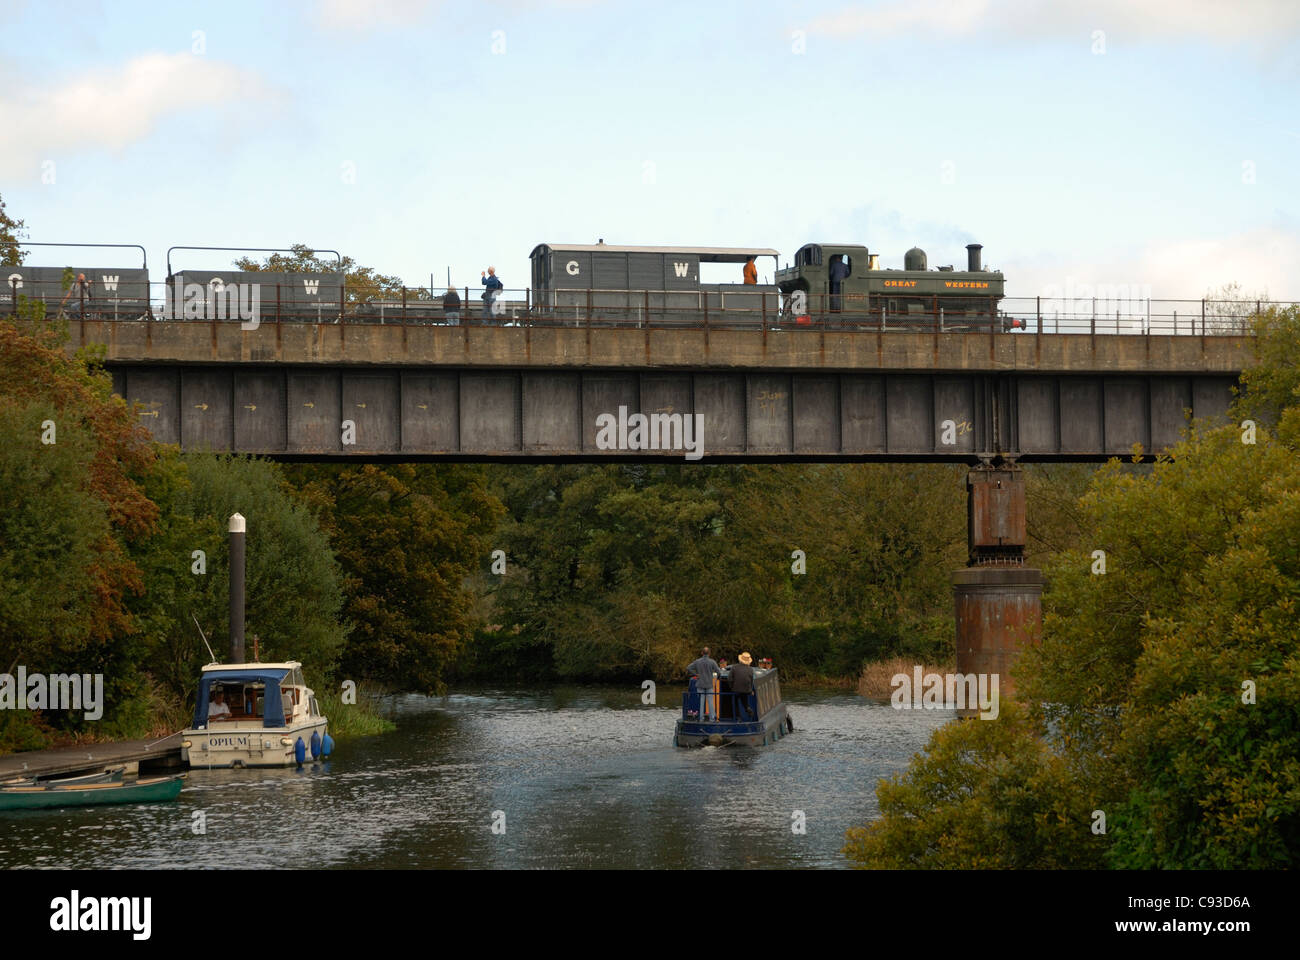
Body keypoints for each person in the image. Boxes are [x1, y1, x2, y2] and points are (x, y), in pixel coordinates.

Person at [686, 647, 721, 722]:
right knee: (710, 702)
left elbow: (688, 668)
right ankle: (712, 719)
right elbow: (719, 672)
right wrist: (716, 678)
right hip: (709, 684)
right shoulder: (712, 662)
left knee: (701, 702)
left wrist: (696, 674)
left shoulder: (697, 661)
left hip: (700, 684)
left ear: (702, 653)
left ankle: (701, 719)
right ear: (709, 653)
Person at [731, 652, 756, 721]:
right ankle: (747, 708)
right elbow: (751, 681)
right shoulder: (750, 669)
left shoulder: (734, 667)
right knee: (744, 699)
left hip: (736, 689)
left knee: (735, 701)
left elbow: (729, 679)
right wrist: (750, 691)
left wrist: (731, 687)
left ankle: (738, 716)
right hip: (746, 690)